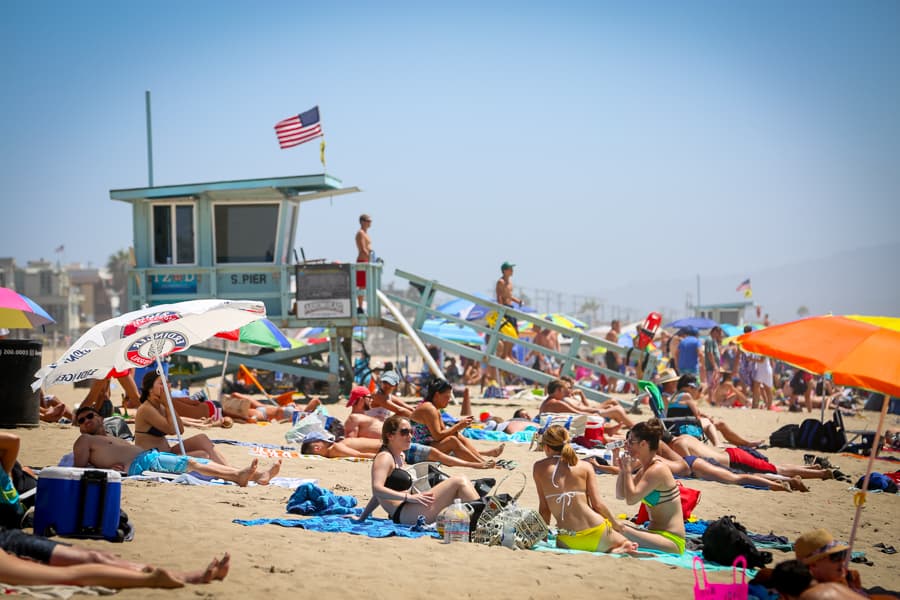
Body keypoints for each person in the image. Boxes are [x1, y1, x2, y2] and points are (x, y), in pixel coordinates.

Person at [73, 406, 280, 486]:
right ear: (80, 428)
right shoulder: (84, 441)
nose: (86, 421)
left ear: (100, 417)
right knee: (191, 462)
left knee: (199, 461)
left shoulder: (109, 435)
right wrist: (107, 470)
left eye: (90, 416)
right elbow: (78, 471)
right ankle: (238, 476)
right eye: (81, 420)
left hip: (149, 457)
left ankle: (256, 475)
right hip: (142, 463)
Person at [355, 415, 480, 525]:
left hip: (409, 508)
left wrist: (362, 518)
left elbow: (380, 495)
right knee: (459, 481)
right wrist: (409, 498)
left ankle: (480, 519)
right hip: (404, 513)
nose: (409, 436)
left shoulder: (400, 456)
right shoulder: (384, 458)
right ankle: (482, 519)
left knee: (458, 490)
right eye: (404, 432)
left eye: (411, 432)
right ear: (390, 436)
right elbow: (377, 489)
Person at [534, 425, 637, 553]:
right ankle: (618, 548)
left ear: (547, 447)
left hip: (567, 540)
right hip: (597, 532)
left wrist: (542, 540)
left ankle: (613, 548)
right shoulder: (585, 466)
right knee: (627, 543)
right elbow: (597, 505)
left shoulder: (538, 468)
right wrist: (615, 524)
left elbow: (544, 509)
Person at [615, 420, 686, 554]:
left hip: (671, 540)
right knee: (614, 524)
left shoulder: (658, 469)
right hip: (655, 534)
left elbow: (631, 500)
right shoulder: (645, 469)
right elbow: (621, 495)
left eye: (630, 442)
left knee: (616, 527)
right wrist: (622, 470)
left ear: (643, 444)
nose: (627, 445)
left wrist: (629, 471)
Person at [134, 371, 231, 465]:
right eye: (162, 383)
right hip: (152, 460)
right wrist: (168, 405)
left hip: (166, 453)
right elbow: (172, 430)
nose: (167, 386)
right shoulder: (146, 409)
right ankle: (231, 473)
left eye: (167, 382)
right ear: (150, 389)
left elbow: (180, 429)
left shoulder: (161, 406)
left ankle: (231, 469)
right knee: (202, 456)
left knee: (202, 439)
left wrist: (168, 405)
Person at [409, 379, 503, 464]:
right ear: (437, 395)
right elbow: (437, 436)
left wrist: (459, 425)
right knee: (452, 440)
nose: (449, 400)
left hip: (427, 445)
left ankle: (482, 461)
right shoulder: (429, 409)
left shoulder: (434, 408)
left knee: (456, 435)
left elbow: (443, 431)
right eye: (446, 397)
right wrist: (458, 425)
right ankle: (481, 463)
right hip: (416, 450)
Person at [669, 434, 835, 480]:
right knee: (775, 466)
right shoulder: (685, 436)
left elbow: (689, 466)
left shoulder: (678, 445)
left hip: (736, 460)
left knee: (778, 470)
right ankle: (811, 468)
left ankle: (821, 474)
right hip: (732, 453)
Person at [665, 374, 762, 447]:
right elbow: (697, 414)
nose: (696, 392)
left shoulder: (674, 396)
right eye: (696, 389)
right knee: (718, 424)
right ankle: (719, 444)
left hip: (674, 427)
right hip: (684, 427)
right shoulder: (687, 395)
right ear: (690, 387)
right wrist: (708, 418)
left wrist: (706, 416)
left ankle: (745, 443)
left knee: (715, 423)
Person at [300, 434, 495, 469]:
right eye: (320, 441)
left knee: (441, 453)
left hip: (395, 447)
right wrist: (395, 457)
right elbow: (362, 455)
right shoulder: (335, 449)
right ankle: (476, 464)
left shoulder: (335, 448)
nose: (325, 440)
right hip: (396, 448)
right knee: (441, 455)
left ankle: (479, 460)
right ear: (317, 448)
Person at [794, 529, 872, 598]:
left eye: (842, 554)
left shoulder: (848, 580)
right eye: (835, 556)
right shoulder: (817, 594)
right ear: (813, 564)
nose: (842, 560)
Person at [495, 261, 521, 362]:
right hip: (505, 308)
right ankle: (505, 355)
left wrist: (518, 301)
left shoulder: (510, 283)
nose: (512, 271)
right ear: (505, 271)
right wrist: (501, 310)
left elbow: (509, 296)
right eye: (510, 269)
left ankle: (509, 354)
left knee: (515, 332)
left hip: (511, 307)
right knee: (508, 332)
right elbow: (499, 296)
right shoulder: (500, 282)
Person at [355, 213, 373, 315]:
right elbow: (363, 249)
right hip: (362, 261)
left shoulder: (366, 233)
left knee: (365, 285)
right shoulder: (360, 233)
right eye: (368, 221)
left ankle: (362, 306)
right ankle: (360, 307)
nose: (370, 223)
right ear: (362, 222)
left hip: (367, 261)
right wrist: (370, 258)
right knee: (361, 284)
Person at [703, 326, 724, 404]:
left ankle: (713, 400)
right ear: (715, 332)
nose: (719, 335)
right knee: (712, 383)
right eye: (719, 333)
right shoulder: (709, 340)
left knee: (714, 383)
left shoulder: (713, 340)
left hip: (714, 366)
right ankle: (711, 400)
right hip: (711, 367)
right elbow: (709, 353)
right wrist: (715, 365)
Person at [604, 320, 623, 392]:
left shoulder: (611, 333)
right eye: (618, 325)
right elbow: (613, 348)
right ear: (614, 325)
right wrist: (618, 358)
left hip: (610, 354)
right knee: (614, 373)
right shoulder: (613, 333)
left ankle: (612, 388)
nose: (620, 327)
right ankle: (612, 389)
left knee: (613, 373)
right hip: (612, 355)